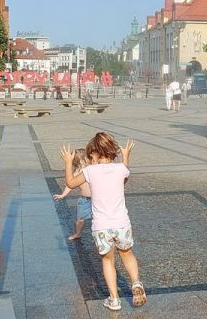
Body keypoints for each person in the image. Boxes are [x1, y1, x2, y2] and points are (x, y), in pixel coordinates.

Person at [61, 133, 146, 311]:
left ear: (94, 153)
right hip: (122, 223)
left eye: (90, 155)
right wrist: (126, 157)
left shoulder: (89, 171)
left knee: (108, 261)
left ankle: (114, 300)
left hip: (101, 226)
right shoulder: (120, 168)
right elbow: (124, 180)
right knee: (127, 253)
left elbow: (70, 182)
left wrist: (69, 162)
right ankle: (136, 283)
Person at [53, 148, 92, 240]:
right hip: (84, 200)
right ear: (79, 162)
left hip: (97, 199)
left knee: (98, 218)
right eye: (84, 159)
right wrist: (63, 194)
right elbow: (70, 185)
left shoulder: (91, 169)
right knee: (80, 220)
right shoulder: (77, 173)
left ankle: (100, 233)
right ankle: (77, 234)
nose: (87, 160)